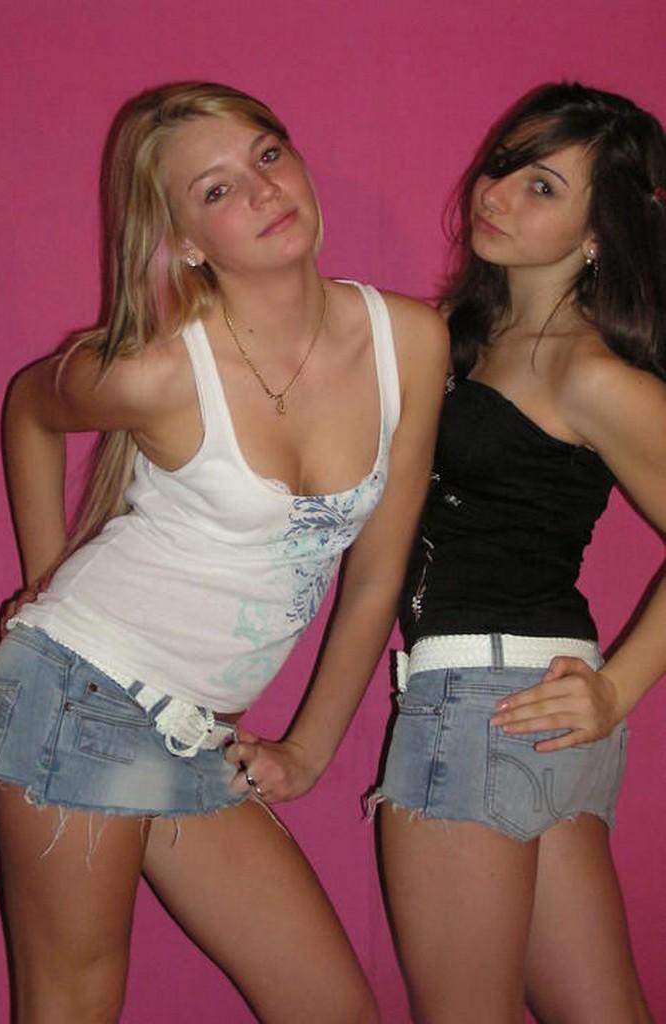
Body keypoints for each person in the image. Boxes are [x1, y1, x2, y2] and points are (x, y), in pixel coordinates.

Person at [0, 81, 448, 1023]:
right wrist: (45, 577)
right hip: (79, 692)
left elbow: (378, 571)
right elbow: (30, 407)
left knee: (332, 1008)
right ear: (183, 240)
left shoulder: (409, 342)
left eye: (267, 156)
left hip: (197, 732)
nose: (263, 192)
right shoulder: (160, 369)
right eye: (216, 190)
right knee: (75, 1003)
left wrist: (310, 747)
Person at [371, 82, 666, 1023]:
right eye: (503, 166)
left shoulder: (586, 371)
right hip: (531, 704)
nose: (495, 194)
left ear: (600, 231)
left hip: (480, 703)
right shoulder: (471, 338)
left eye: (541, 186)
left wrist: (618, 690)